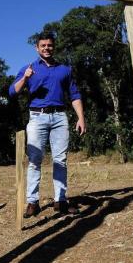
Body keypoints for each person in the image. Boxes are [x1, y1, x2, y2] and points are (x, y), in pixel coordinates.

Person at [9, 32, 86, 217]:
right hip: (37, 117)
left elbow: (74, 95)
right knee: (35, 160)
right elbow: (13, 92)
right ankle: (32, 202)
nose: (46, 48)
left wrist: (81, 118)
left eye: (49, 45)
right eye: (42, 45)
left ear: (54, 47)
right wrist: (25, 78)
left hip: (60, 117)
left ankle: (61, 201)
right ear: (37, 48)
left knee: (60, 160)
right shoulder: (28, 68)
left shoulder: (65, 70)